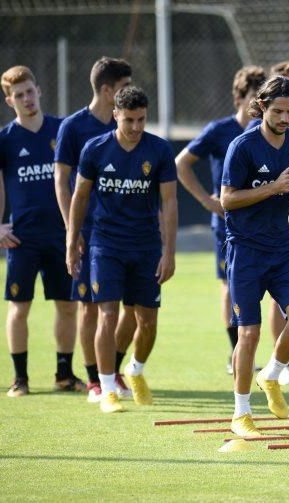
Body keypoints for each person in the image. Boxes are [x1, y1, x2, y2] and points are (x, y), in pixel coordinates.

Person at [174, 66, 289, 383]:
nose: (283, 117)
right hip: (235, 231)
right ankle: (237, 352)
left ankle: (276, 365)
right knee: (232, 293)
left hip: (278, 238)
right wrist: (207, 201)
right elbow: (184, 164)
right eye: (274, 109)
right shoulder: (225, 134)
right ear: (250, 100)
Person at [66, 86, 178, 414]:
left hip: (146, 247)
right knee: (108, 314)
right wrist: (72, 241)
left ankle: (136, 370)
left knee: (148, 321)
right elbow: (80, 197)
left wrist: (169, 251)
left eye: (141, 119)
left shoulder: (159, 150)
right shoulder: (95, 149)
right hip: (106, 245)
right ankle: (108, 388)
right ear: (115, 114)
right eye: (128, 119)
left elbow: (169, 203)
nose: (135, 127)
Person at [0, 66, 82, 397]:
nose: (27, 99)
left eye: (30, 91)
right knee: (19, 307)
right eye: (19, 95)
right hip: (22, 239)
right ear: (10, 101)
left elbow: (81, 177)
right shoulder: (4, 139)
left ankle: (64, 374)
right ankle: (19, 378)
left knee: (67, 305)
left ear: (39, 90)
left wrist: (76, 227)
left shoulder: (62, 129)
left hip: (60, 236)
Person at [219, 76, 289, 438]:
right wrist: (274, 187)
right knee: (249, 333)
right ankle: (241, 412)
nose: (285, 118)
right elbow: (227, 199)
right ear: (261, 106)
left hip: (285, 248)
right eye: (277, 111)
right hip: (246, 250)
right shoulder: (242, 146)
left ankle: (271, 374)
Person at [54, 57, 135, 403]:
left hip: (129, 232)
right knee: (90, 307)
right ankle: (94, 379)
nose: (129, 93)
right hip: (91, 232)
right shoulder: (73, 128)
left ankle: (113, 368)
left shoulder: (129, 126)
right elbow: (61, 181)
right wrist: (73, 230)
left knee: (131, 307)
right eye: (123, 86)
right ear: (106, 90)